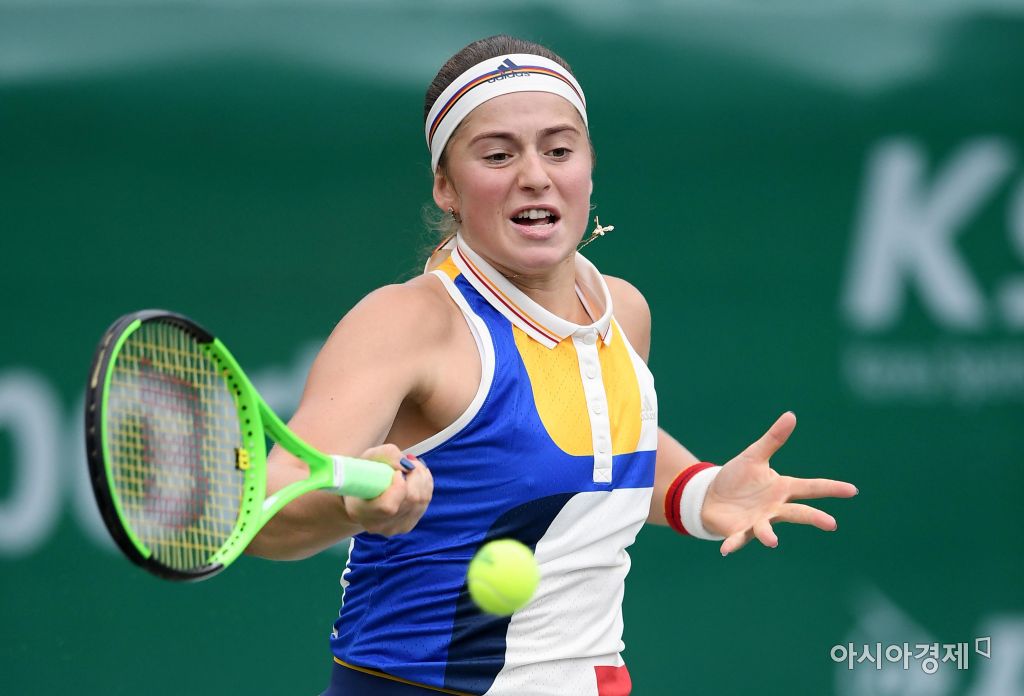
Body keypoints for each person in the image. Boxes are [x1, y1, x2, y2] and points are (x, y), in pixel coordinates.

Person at [246, 35, 857, 696]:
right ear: (446, 186)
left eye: (559, 150)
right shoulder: (407, 322)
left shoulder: (622, 312)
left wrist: (701, 492)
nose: (535, 175)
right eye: (498, 154)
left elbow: (590, 446)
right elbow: (270, 510)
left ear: (589, 168)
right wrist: (355, 511)